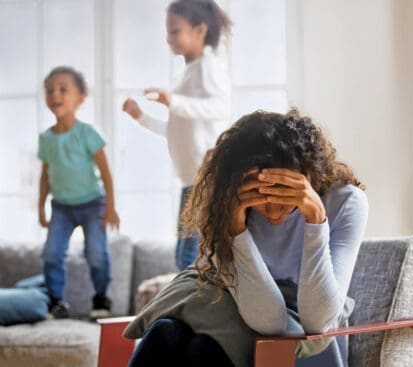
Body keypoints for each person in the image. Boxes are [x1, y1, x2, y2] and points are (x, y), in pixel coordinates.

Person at [123, 108, 369, 367]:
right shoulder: (224, 201)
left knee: (203, 347)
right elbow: (266, 315)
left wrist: (316, 220)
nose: (274, 212)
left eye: (285, 194)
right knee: (166, 333)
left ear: (309, 174)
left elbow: (315, 322)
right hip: (228, 293)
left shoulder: (345, 201)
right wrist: (235, 230)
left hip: (298, 313)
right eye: (262, 198)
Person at [122, 0, 232, 270]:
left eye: (174, 31)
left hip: (207, 177)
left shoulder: (208, 66)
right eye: (168, 31)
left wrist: (172, 101)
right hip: (191, 179)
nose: (168, 38)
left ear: (199, 30)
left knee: (189, 257)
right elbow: (175, 132)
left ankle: (188, 308)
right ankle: (186, 307)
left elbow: (220, 107)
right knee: (183, 256)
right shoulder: (187, 74)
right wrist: (140, 116)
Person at [38, 66, 120, 320]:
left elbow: (105, 172)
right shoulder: (46, 139)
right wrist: (41, 207)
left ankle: (101, 298)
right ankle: (56, 302)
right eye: (50, 90)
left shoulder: (87, 133)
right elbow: (45, 175)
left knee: (96, 253)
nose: (55, 94)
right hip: (61, 206)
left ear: (80, 98)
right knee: (51, 254)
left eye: (63, 89)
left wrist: (110, 207)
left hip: (92, 204)